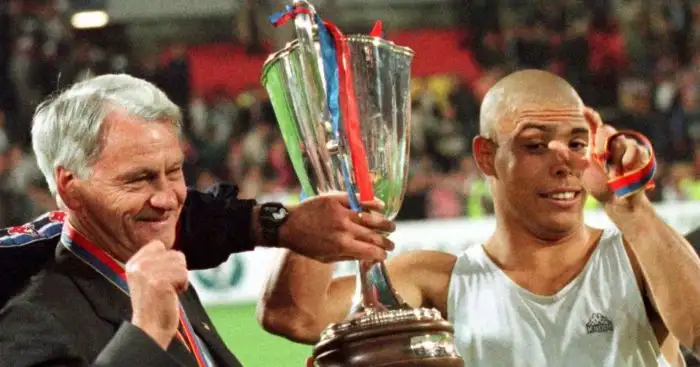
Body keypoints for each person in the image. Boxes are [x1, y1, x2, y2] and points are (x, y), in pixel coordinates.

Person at [258, 69, 700, 367]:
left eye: (577, 143)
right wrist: (328, 178)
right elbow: (295, 315)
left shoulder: (633, 255)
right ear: (486, 157)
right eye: (534, 145)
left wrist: (631, 207)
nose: (564, 163)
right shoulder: (441, 281)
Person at [0, 74, 394, 366]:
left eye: (174, 171)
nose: (167, 198)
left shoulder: (154, 262)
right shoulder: (30, 322)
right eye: (138, 178)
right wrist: (145, 334)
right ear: (70, 187)